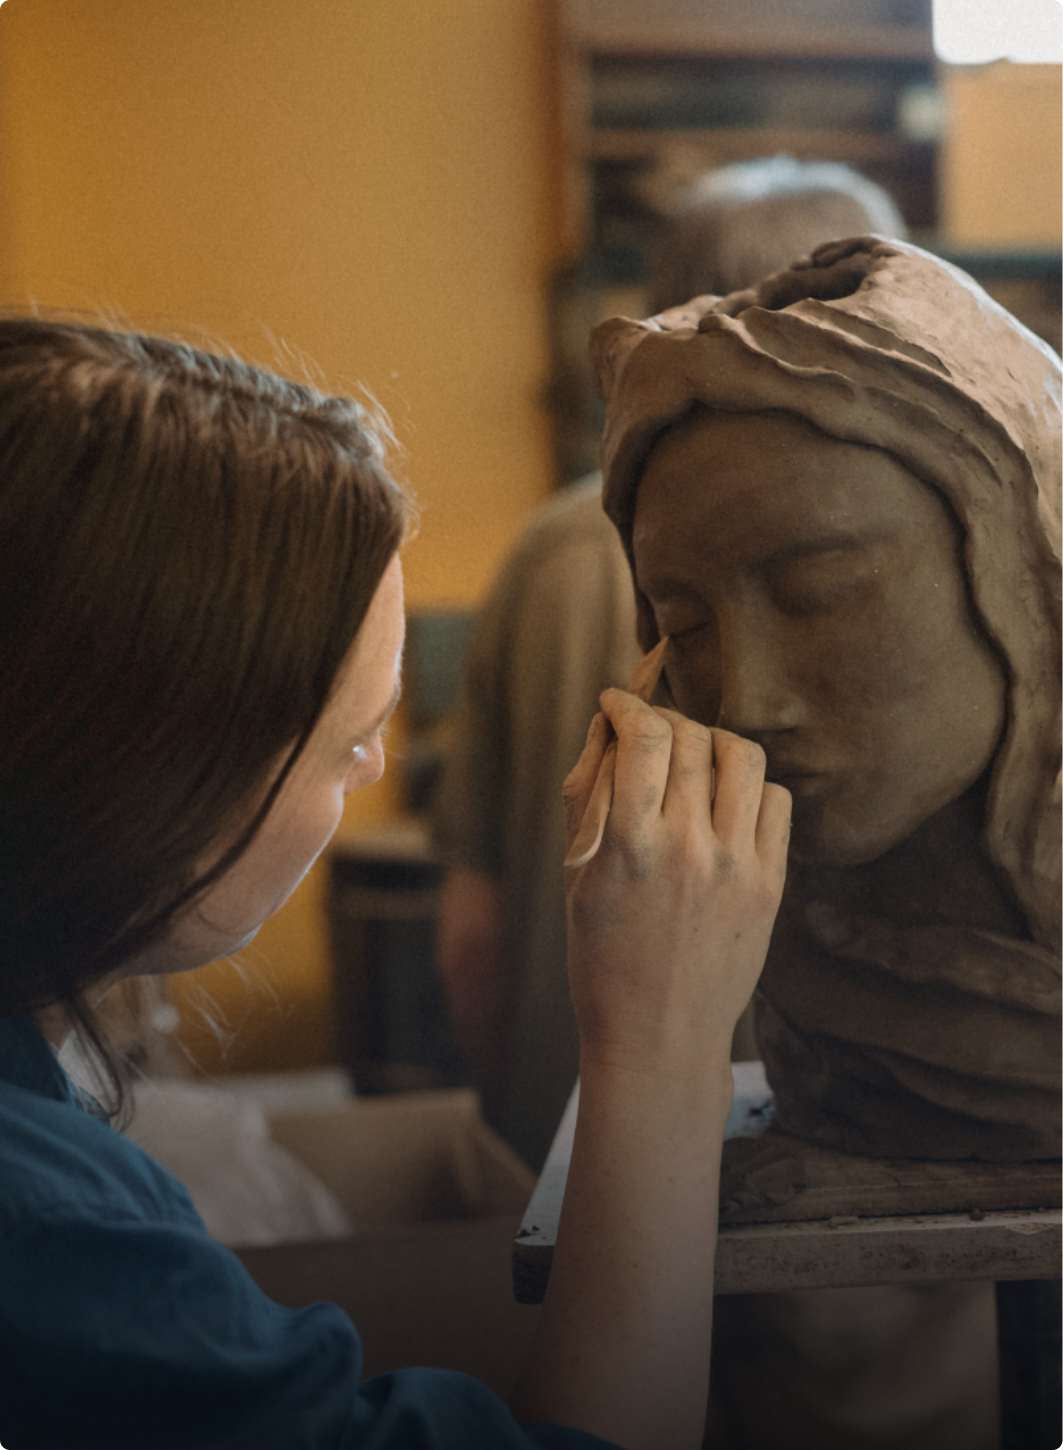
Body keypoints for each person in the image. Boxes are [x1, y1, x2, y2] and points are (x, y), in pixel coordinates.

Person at [0, 317, 789, 1450]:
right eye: (345, 742)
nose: (374, 765)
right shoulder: (49, 1241)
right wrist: (661, 1046)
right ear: (151, 767)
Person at [591, 233, 1063, 1449]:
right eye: (685, 621)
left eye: (820, 591)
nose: (743, 698)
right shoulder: (749, 913)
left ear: (1015, 563)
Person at [433, 157, 908, 1173]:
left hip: (564, 1164)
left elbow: (468, 934)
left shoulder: (545, 549)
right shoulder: (909, 568)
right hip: (828, 1189)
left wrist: (521, 1129)